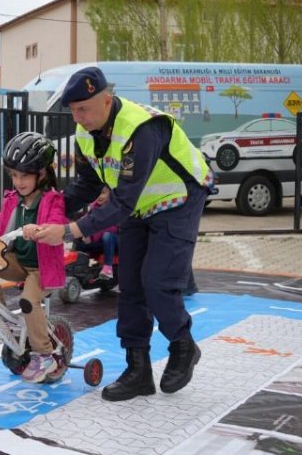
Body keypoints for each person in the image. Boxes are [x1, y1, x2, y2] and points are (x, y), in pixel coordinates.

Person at [34, 66, 214, 402]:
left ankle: (183, 345)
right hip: (137, 206)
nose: (79, 117)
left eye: (84, 109)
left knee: (157, 280)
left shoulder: (141, 128)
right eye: (73, 111)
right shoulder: (86, 132)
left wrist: (70, 231)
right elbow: (87, 184)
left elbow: (122, 198)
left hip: (178, 198)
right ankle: (138, 371)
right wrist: (50, 211)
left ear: (106, 100)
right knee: (129, 284)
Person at [0, 132, 66, 384]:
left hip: (42, 269)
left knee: (29, 300)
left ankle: (44, 354)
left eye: (25, 175)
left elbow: (57, 223)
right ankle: (3, 319)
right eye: (14, 175)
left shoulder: (53, 200)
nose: (18, 181)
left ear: (42, 174)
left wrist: (39, 230)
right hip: (18, 264)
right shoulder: (12, 200)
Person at [74, 185, 119, 279]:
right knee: (78, 240)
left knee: (107, 236)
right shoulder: (94, 207)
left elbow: (113, 228)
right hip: (98, 241)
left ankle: (108, 267)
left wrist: (91, 235)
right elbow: (85, 220)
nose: (99, 196)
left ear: (111, 193)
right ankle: (77, 265)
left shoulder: (115, 208)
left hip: (113, 241)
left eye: (103, 193)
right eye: (98, 193)